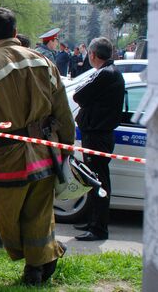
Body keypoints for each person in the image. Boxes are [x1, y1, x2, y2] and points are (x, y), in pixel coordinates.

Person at [0, 7, 74, 285]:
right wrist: (65, 149)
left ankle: (35, 266)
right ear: (15, 33)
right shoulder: (43, 61)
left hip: (7, 155)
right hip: (44, 152)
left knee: (6, 216)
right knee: (39, 212)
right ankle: (42, 261)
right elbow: (63, 111)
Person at [72, 37, 125, 241]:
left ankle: (98, 228)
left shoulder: (105, 73)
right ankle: (93, 222)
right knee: (94, 180)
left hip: (98, 135)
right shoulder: (108, 73)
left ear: (93, 55)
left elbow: (79, 95)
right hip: (96, 133)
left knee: (99, 182)